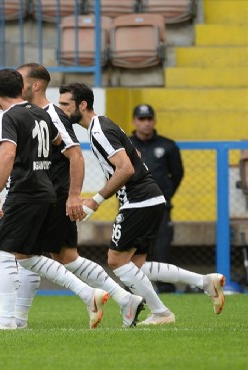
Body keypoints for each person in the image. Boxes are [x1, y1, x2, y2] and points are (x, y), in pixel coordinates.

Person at [58, 83, 225, 325]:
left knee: (116, 260)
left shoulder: (98, 131)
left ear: (82, 105)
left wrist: (95, 201)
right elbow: (130, 162)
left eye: (65, 104)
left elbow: (125, 168)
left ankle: (161, 313)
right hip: (150, 199)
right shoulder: (103, 125)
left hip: (139, 200)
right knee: (136, 266)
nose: (61, 109)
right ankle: (204, 282)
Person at [13, 63, 146, 328]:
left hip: (53, 196)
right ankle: (124, 299)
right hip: (45, 195)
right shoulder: (31, 114)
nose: (16, 85)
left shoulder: (52, 114)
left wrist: (74, 196)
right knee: (63, 256)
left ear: (35, 85)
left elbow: (75, 155)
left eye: (20, 80)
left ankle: (19, 319)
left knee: (24, 254)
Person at [0, 68, 110, 330]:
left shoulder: (6, 116)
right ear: (21, 88)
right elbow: (60, 142)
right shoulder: (41, 113)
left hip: (25, 193)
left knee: (2, 252)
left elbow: (7, 152)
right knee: (26, 256)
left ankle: (6, 321)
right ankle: (88, 294)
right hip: (45, 191)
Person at [130, 104, 183, 293]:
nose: (146, 123)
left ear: (154, 120)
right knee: (130, 249)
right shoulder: (125, 145)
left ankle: (166, 286)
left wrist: (165, 195)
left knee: (162, 249)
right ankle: (132, 288)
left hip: (161, 208)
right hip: (133, 208)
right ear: (134, 121)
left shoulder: (168, 145)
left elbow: (177, 175)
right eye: (141, 119)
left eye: (149, 119)